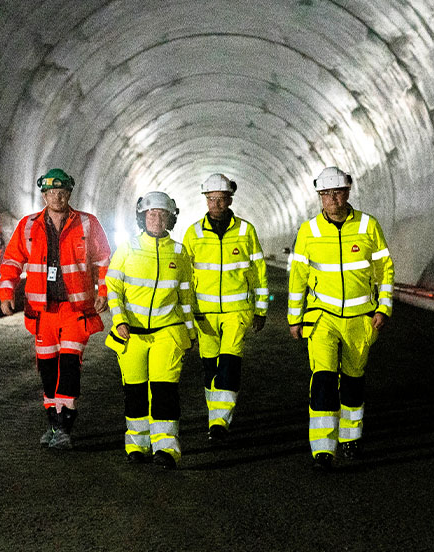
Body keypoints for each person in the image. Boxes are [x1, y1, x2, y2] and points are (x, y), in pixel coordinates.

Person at [287, 166, 394, 471]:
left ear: (347, 192)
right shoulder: (308, 232)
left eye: (337, 192)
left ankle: (350, 437)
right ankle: (322, 448)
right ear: (319, 197)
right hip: (322, 319)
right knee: (322, 380)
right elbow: (298, 277)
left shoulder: (368, 226)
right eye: (326, 194)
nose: (332, 199)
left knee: (353, 382)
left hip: (360, 319)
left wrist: (383, 307)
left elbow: (385, 269)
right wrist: (295, 317)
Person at [0, 168, 111, 449]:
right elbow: (12, 261)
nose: (56, 197)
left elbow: (106, 260)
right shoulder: (28, 226)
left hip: (76, 310)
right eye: (51, 193)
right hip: (42, 314)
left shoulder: (87, 224)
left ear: (69, 194)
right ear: (44, 195)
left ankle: (64, 428)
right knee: (47, 369)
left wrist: (104, 291)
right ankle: (53, 421)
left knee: (70, 366)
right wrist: (6, 292)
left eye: (61, 193)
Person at [104, 191, 196, 470]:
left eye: (162, 214)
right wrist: (119, 320)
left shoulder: (179, 253)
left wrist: (190, 332)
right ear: (142, 218)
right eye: (151, 214)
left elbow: (185, 296)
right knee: (135, 392)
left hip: (168, 332)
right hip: (130, 334)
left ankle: (166, 449)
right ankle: (137, 445)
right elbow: (113, 288)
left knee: (164, 391)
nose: (156, 218)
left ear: (171, 218)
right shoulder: (127, 248)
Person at [182, 173, 269, 442]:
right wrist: (187, 314)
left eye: (221, 199)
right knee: (210, 368)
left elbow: (258, 271)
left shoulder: (246, 231)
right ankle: (215, 416)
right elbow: (184, 277)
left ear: (230, 199)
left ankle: (220, 420)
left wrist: (261, 309)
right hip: (204, 314)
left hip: (237, 311)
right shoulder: (193, 233)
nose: (216, 204)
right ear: (205, 200)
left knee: (229, 363)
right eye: (211, 199)